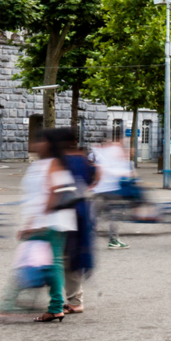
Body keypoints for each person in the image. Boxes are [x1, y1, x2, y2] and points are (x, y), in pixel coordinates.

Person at [0, 128, 78, 321]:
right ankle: (54, 307)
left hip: (51, 223)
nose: (36, 145)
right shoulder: (42, 165)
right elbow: (36, 197)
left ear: (49, 144)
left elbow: (55, 193)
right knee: (52, 265)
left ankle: (5, 306)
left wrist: (37, 222)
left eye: (41, 141)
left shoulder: (54, 164)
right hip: (47, 222)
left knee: (26, 263)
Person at [61, 130, 96, 313]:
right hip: (79, 212)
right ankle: (73, 299)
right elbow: (97, 174)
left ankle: (72, 300)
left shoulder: (64, 160)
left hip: (68, 213)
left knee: (65, 257)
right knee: (70, 257)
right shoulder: (81, 159)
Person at [91, 135, 131, 249]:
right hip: (111, 190)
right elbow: (121, 172)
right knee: (114, 214)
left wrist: (94, 184)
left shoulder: (101, 152)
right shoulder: (114, 151)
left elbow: (99, 170)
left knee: (94, 214)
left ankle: (85, 239)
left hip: (100, 189)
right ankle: (113, 240)